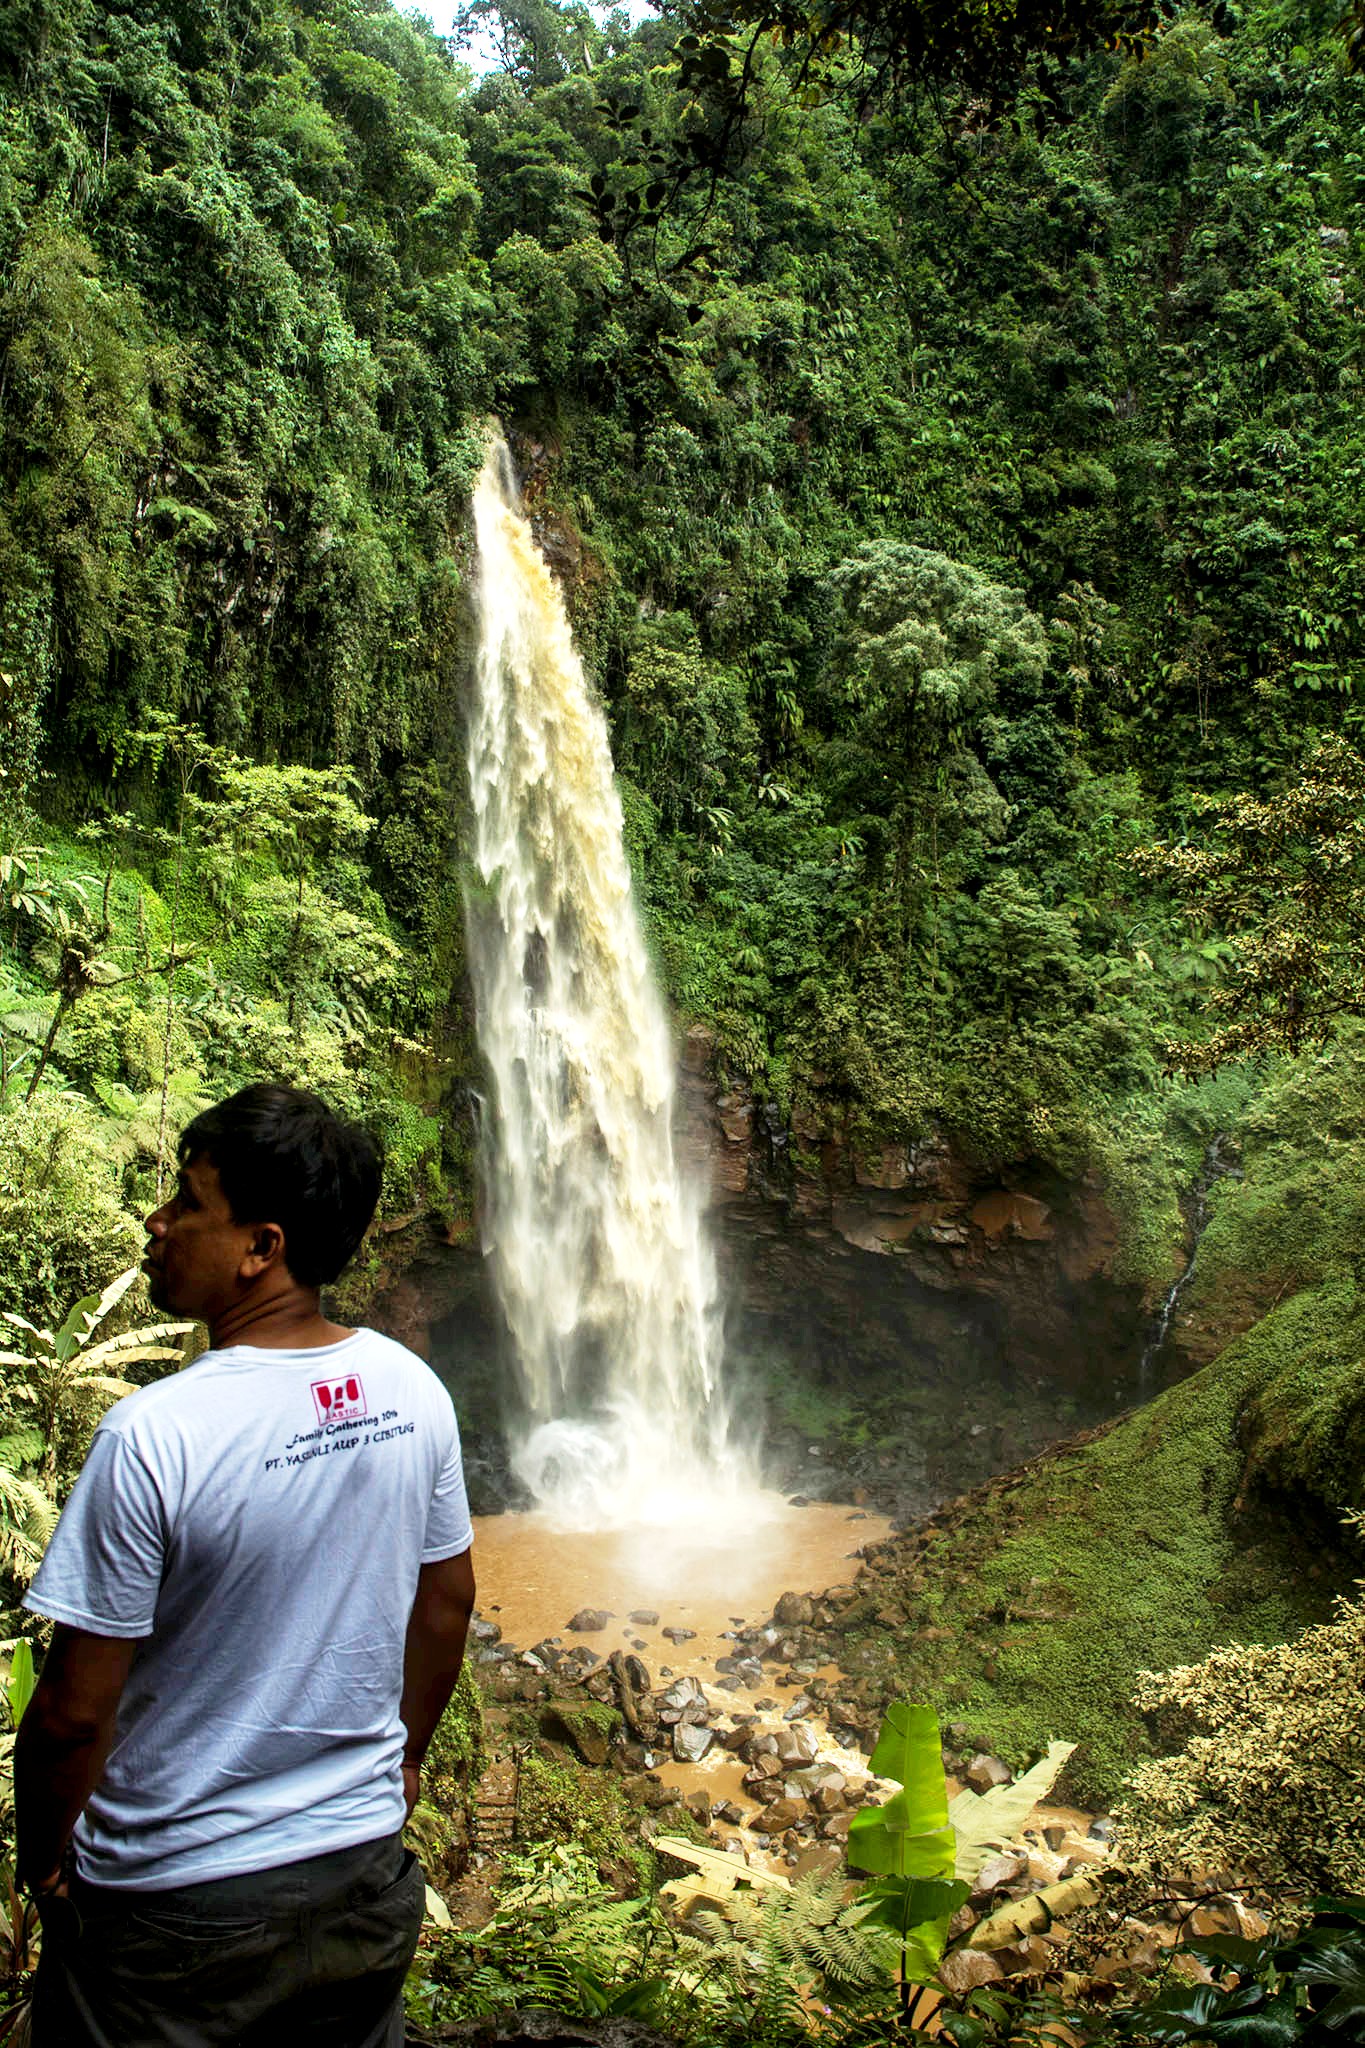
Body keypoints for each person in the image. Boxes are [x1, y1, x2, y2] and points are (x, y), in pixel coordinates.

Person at [14, 1083, 476, 2048]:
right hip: (360, 1873)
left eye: (187, 1202)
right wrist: (405, 1764)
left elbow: (70, 1713)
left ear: (261, 1248)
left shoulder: (153, 1434)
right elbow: (446, 1608)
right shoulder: (411, 1390)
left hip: (173, 1909)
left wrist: (46, 1862)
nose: (159, 1220)